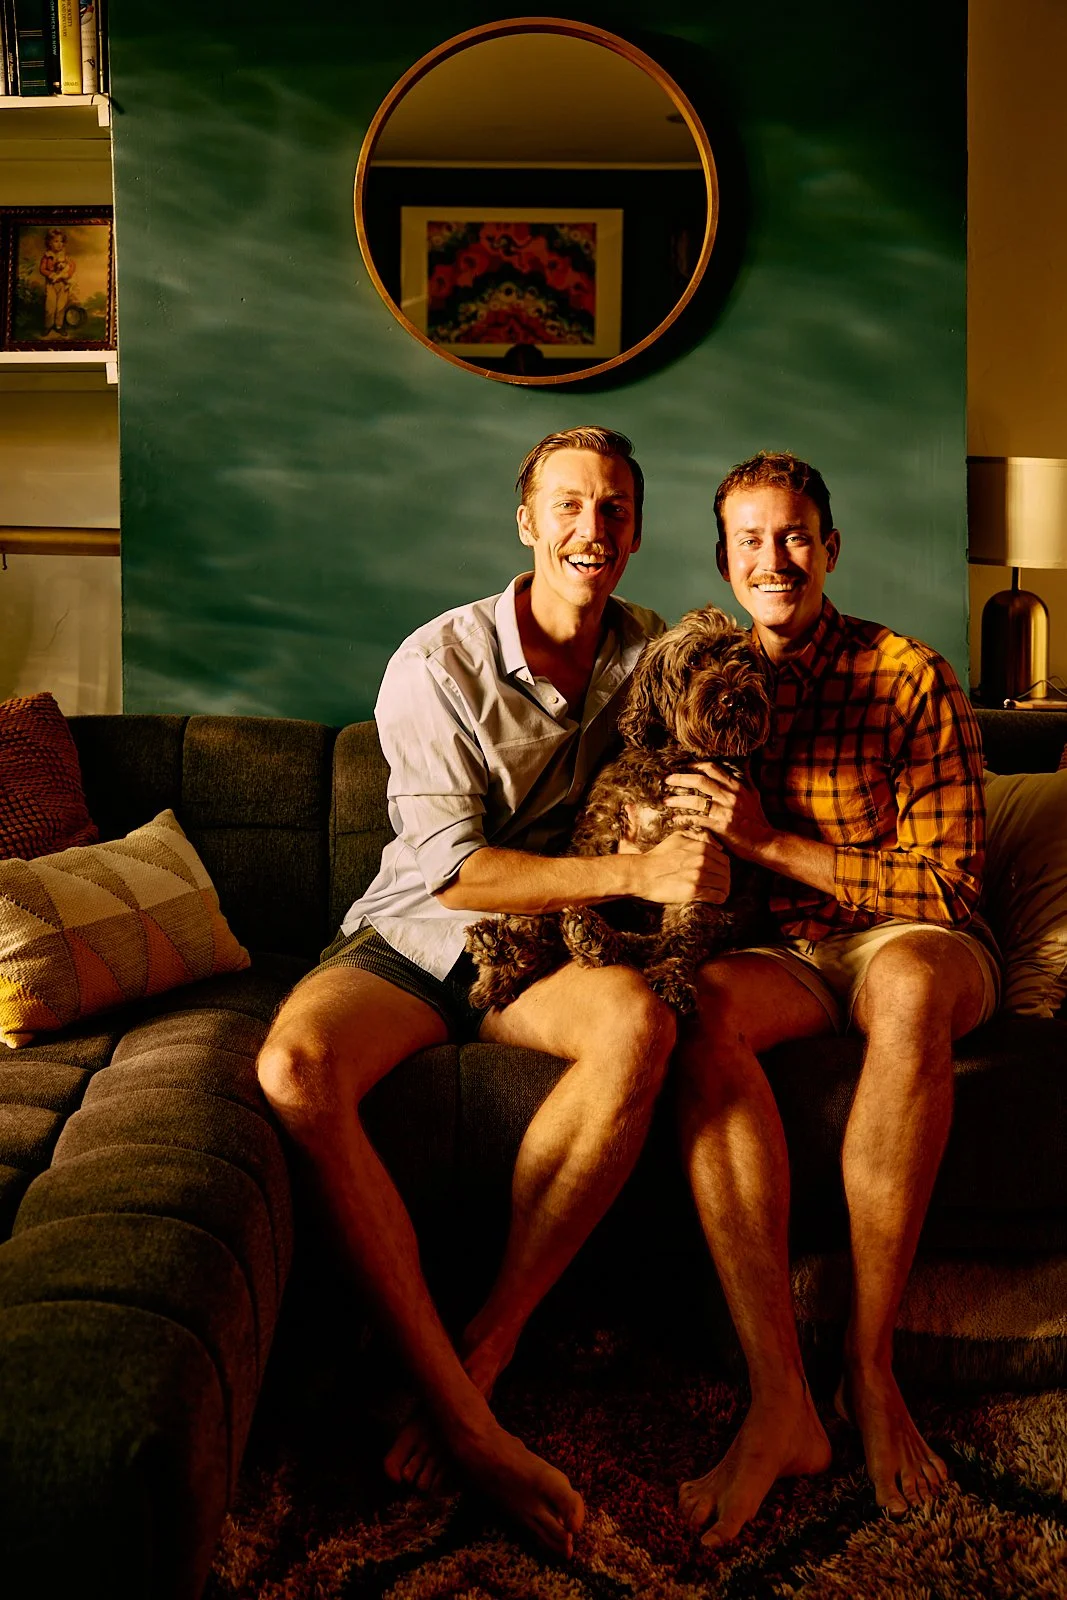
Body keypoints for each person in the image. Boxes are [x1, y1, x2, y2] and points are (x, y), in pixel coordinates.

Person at [256, 426, 731, 1557]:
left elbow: (680, 765)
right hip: (422, 939)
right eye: (568, 506)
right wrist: (632, 869)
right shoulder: (435, 663)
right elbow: (455, 873)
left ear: (634, 531)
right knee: (290, 1069)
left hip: (555, 954)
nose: (592, 529)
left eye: (614, 508)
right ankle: (471, 1427)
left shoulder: (650, 650)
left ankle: (484, 1352)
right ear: (525, 522)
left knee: (644, 1025)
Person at [665, 451, 998, 1548]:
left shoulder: (907, 673)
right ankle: (780, 1398)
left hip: (916, 937)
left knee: (902, 985)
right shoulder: (696, 678)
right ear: (723, 559)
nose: (775, 558)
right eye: (751, 539)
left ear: (830, 547)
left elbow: (949, 881)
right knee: (698, 1008)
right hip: (787, 956)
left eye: (795, 534)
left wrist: (767, 840)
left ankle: (868, 1366)